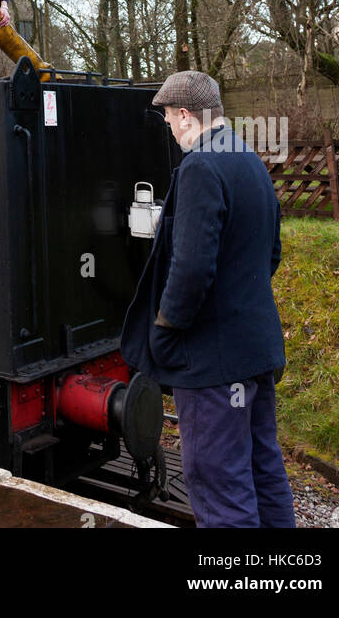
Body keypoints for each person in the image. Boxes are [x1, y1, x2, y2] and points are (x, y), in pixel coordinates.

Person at [120, 70, 295, 529]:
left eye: (168, 118)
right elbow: (271, 253)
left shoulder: (201, 166)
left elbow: (192, 268)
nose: (168, 127)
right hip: (255, 351)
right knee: (263, 470)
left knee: (221, 487)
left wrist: (166, 329)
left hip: (211, 364)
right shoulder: (247, 158)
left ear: (185, 115)